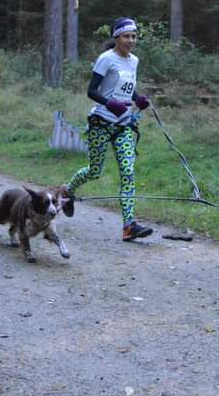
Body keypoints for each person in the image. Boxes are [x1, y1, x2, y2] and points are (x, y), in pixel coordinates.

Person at [64, 17, 154, 241]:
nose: (131, 41)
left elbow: (127, 88)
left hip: (123, 126)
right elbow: (92, 91)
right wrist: (109, 104)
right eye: (126, 36)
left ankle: (129, 226)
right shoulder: (106, 59)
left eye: (134, 36)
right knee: (95, 171)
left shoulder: (134, 61)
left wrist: (138, 99)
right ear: (116, 37)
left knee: (128, 172)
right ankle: (68, 190)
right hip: (100, 124)